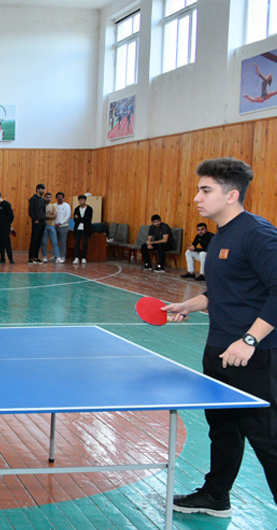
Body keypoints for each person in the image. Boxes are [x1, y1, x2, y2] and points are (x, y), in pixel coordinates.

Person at [164, 157, 277, 519]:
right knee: (223, 429)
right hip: (218, 350)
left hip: (252, 356)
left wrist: (249, 340)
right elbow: (223, 292)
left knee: (268, 440)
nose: (197, 197)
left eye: (205, 190)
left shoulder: (258, 234)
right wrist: (189, 305)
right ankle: (216, 496)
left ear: (231, 195)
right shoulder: (220, 236)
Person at [0, 190, 15, 264]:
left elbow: (11, 216)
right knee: (0, 242)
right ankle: (2, 258)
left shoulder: (6, 204)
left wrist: (8, 225)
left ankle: (11, 259)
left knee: (7, 242)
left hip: (5, 227)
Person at [28, 183, 47, 264]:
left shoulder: (42, 200)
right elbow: (30, 210)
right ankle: (31, 257)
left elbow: (43, 211)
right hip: (36, 221)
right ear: (38, 189)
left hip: (42, 221)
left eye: (44, 189)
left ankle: (36, 257)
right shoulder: (33, 199)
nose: (43, 191)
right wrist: (34, 219)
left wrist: (44, 219)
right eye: (42, 189)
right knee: (34, 239)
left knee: (39, 240)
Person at [41, 192, 61, 263]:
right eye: (47, 197)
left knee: (54, 242)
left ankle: (57, 256)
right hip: (43, 225)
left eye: (50, 197)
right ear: (44, 198)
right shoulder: (42, 206)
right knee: (44, 242)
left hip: (51, 225)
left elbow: (54, 216)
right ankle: (44, 257)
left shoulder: (53, 206)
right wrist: (47, 216)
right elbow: (41, 216)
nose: (48, 199)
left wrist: (46, 216)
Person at [72, 194, 93, 264]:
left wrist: (80, 219)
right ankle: (76, 257)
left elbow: (88, 220)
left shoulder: (89, 209)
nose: (80, 201)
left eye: (82, 200)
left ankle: (84, 257)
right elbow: (75, 220)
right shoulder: (76, 209)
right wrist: (82, 219)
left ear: (85, 200)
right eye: (79, 200)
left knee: (85, 243)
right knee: (77, 243)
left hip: (86, 229)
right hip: (78, 229)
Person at [53, 192, 71, 263]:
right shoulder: (54, 205)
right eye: (58, 197)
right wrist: (54, 224)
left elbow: (67, 216)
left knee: (63, 242)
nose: (60, 198)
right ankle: (55, 255)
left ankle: (63, 256)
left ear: (63, 198)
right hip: (54, 226)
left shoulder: (66, 206)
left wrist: (60, 223)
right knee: (55, 242)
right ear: (56, 198)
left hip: (63, 226)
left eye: (61, 197)